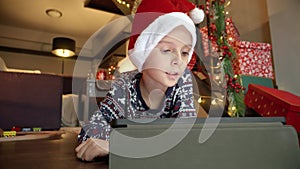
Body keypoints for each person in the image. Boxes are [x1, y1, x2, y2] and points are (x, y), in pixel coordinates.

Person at [75, 0, 204, 161]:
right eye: (166, 50)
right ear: (143, 52)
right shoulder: (124, 84)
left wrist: (116, 145)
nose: (178, 60)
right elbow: (89, 135)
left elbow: (185, 141)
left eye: (185, 52)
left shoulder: (182, 80)